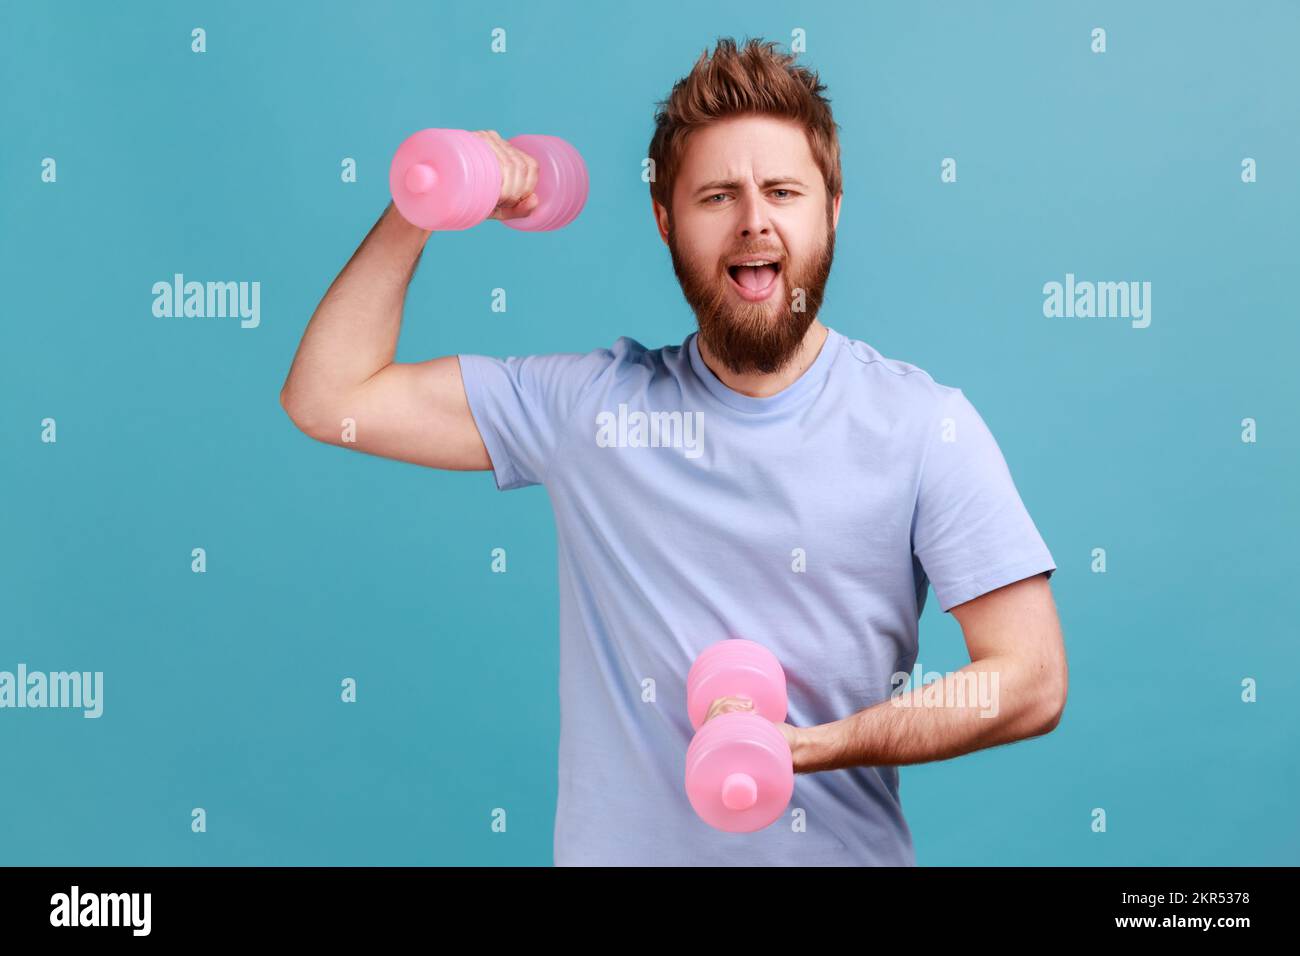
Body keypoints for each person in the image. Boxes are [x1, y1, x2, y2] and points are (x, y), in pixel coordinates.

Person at [279, 37, 1067, 866]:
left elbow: (1030, 678)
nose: (754, 220)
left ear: (832, 209)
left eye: (784, 192)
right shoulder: (589, 411)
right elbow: (331, 398)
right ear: (665, 221)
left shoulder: (923, 428)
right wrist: (425, 200)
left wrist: (809, 747)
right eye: (718, 195)